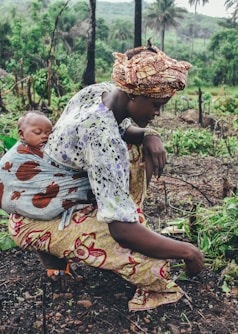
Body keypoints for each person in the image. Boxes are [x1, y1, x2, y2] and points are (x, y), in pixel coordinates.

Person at [4, 41, 205, 312]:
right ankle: (53, 245)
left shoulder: (99, 93)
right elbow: (121, 230)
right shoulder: (100, 137)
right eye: (157, 105)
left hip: (51, 194)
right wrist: (187, 251)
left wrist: (149, 134)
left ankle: (96, 226)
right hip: (34, 219)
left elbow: (123, 131)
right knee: (155, 266)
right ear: (133, 94)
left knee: (133, 151)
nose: (157, 114)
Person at [0, 111, 94, 226]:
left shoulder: (52, 151)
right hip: (30, 201)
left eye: (49, 133)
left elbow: (61, 172)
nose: (44, 136)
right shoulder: (17, 156)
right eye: (38, 132)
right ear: (21, 134)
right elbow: (7, 178)